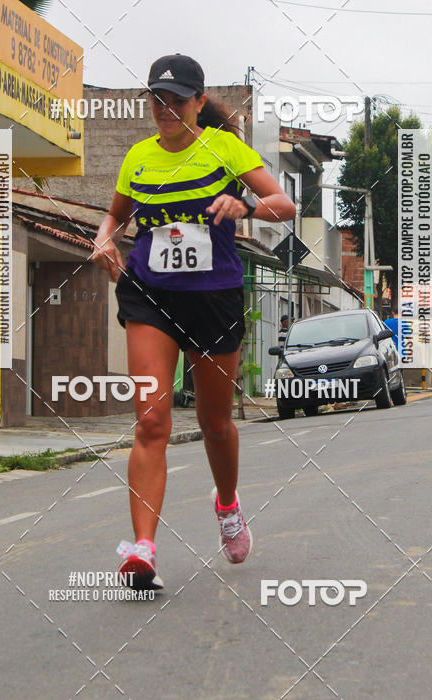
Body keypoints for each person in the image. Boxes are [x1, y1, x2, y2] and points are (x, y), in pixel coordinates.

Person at [92, 53, 296, 589]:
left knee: (215, 422)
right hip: (150, 296)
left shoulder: (224, 148)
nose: (166, 109)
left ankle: (227, 505)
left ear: (199, 102)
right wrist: (105, 236)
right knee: (151, 421)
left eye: (177, 100)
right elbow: (115, 214)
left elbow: (283, 204)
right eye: (157, 99)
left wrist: (245, 208)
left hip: (213, 298)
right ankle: (143, 551)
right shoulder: (138, 157)